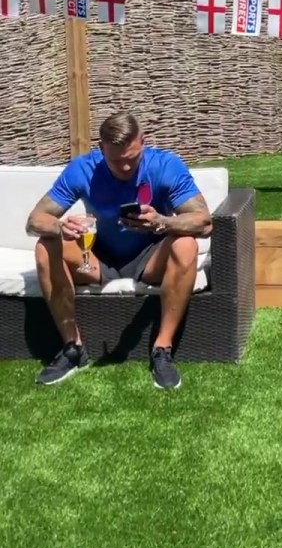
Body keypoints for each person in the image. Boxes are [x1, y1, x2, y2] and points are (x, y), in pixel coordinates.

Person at [26, 110, 212, 390]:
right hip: (97, 257)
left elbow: (204, 222)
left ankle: (162, 349)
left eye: (132, 159)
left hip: (150, 258)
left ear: (143, 142)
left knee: (186, 244)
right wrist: (60, 227)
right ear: (101, 149)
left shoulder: (165, 166)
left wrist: (161, 221)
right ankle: (72, 347)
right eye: (116, 161)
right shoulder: (83, 169)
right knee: (45, 246)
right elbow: (34, 221)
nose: (126, 169)